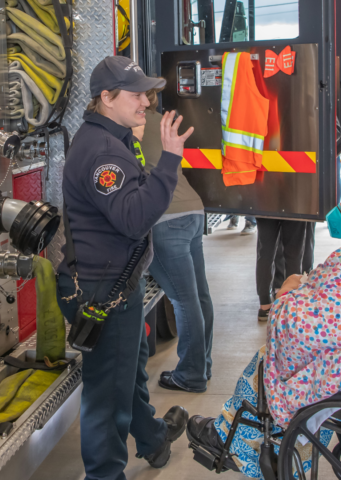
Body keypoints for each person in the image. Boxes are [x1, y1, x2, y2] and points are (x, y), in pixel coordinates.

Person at [183, 170, 341, 478]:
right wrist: (310, 286)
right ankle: (248, 436)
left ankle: (237, 441)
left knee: (269, 360)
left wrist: (286, 295)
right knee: (296, 361)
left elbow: (303, 329)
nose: (339, 209)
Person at [56, 56, 191, 479]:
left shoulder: (110, 138)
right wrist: (169, 160)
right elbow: (134, 218)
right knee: (106, 397)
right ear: (107, 98)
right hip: (103, 290)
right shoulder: (102, 152)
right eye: (137, 94)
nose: (147, 101)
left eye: (148, 93)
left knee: (126, 373)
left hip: (111, 284)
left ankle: (151, 439)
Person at [132, 92, 215, 394]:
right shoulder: (159, 121)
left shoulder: (131, 125)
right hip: (192, 209)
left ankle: (191, 375)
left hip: (166, 218)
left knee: (183, 298)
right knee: (199, 295)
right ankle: (202, 365)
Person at [254, 219, 309, 321]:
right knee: (294, 255)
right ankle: (291, 306)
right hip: (295, 206)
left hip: (266, 205)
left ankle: (264, 305)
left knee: (265, 253)